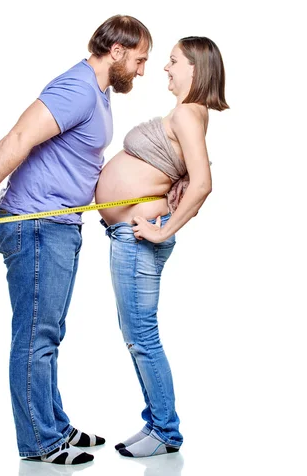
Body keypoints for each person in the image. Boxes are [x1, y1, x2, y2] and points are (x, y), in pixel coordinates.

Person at [0, 15, 152, 465]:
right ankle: (40, 442)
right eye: (140, 60)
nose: (142, 71)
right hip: (36, 224)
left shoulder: (98, 93)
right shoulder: (77, 88)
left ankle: (54, 425)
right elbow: (21, 136)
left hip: (58, 227)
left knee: (49, 333)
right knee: (35, 336)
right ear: (117, 51)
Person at [95, 36, 229, 458]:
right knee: (135, 334)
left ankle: (166, 431)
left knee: (142, 336)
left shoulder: (189, 113)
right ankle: (156, 423)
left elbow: (203, 182)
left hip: (140, 236)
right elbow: (187, 174)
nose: (166, 68)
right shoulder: (186, 114)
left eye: (173, 61)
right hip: (130, 235)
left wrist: (161, 229)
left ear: (196, 68)